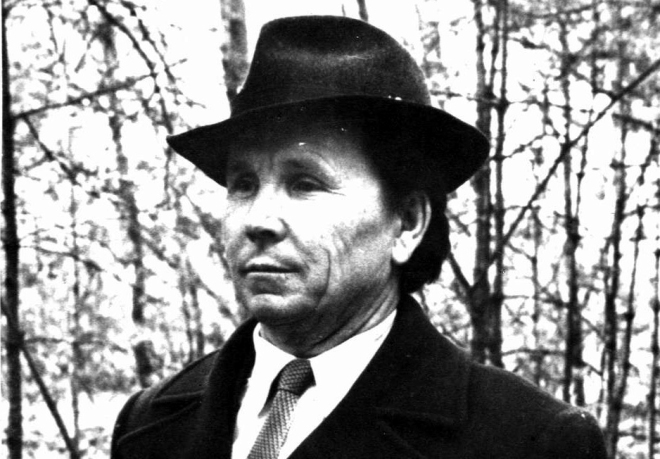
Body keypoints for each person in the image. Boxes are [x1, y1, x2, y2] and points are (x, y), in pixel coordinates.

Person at [111, 15, 606, 459]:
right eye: (243, 184)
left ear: (407, 223)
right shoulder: (149, 423)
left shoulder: (526, 441)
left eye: (305, 183)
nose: (258, 220)